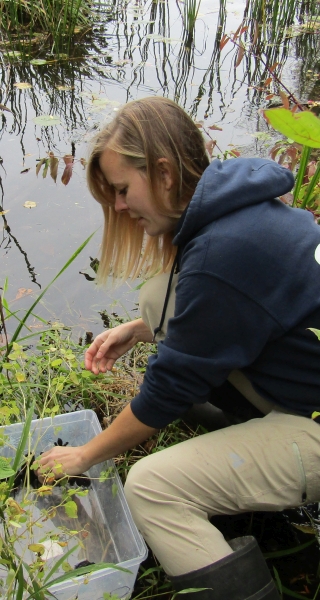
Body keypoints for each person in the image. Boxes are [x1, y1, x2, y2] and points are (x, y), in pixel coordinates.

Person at [38, 96, 320, 600]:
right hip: (303, 383)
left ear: (164, 172)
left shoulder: (219, 252)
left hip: (312, 423)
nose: (119, 206)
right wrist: (136, 330)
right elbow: (233, 309)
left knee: (152, 488)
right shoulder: (242, 208)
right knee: (155, 301)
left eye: (123, 189)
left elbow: (166, 391)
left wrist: (85, 455)